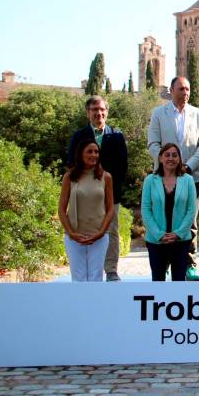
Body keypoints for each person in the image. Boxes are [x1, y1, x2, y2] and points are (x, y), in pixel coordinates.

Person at [148, 76, 199, 281]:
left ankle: (190, 264)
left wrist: (187, 167)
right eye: (181, 89)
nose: (185, 93)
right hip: (164, 176)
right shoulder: (158, 114)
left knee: (189, 220)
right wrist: (167, 163)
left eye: (188, 89)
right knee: (162, 215)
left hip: (191, 175)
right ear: (171, 90)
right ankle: (164, 262)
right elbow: (153, 143)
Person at [67, 95, 127, 282]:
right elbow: (71, 163)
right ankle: (86, 270)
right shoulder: (79, 136)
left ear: (106, 112)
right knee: (83, 228)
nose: (99, 113)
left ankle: (110, 270)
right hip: (83, 194)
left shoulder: (116, 136)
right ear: (88, 113)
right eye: (94, 110)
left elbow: (122, 166)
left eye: (102, 110)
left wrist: (109, 187)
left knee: (111, 230)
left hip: (109, 193)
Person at [58, 139, 115, 282]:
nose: (94, 155)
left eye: (96, 152)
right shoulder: (69, 177)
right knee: (78, 278)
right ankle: (78, 305)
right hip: (74, 237)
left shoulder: (106, 177)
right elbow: (61, 208)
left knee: (96, 277)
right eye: (89, 151)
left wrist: (101, 232)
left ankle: (96, 305)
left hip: (99, 236)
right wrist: (71, 233)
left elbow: (110, 208)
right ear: (81, 154)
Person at [141, 143, 197, 281]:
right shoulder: (150, 180)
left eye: (174, 155)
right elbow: (146, 210)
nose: (171, 158)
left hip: (181, 241)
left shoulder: (188, 180)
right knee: (158, 282)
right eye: (167, 155)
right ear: (160, 158)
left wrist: (178, 234)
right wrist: (159, 235)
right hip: (156, 241)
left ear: (179, 159)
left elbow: (191, 210)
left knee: (178, 282)